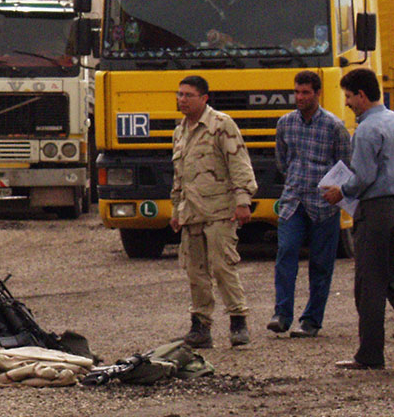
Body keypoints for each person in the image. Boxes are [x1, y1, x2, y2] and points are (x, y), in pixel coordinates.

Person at [169, 75, 257, 348]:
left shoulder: (221, 125)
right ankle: (201, 326)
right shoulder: (179, 131)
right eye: (180, 94)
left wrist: (242, 200)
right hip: (192, 212)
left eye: (188, 95)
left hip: (220, 210)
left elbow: (238, 163)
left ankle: (238, 320)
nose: (182, 100)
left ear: (204, 98)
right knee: (195, 272)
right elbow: (179, 176)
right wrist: (175, 209)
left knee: (222, 267)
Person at [268, 71, 351, 338]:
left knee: (321, 264)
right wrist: (293, 182)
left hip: (324, 206)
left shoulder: (334, 126)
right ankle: (282, 314)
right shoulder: (285, 124)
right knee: (286, 253)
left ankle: (312, 320)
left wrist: (334, 193)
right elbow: (282, 161)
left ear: (317, 93)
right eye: (297, 92)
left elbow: (345, 165)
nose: (300, 97)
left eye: (305, 92)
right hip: (293, 201)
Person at [321, 68, 394, 370]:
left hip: (377, 211)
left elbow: (363, 176)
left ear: (361, 95)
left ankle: (370, 354)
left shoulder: (366, 130)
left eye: (349, 97)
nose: (347, 103)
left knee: (370, 284)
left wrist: (341, 191)